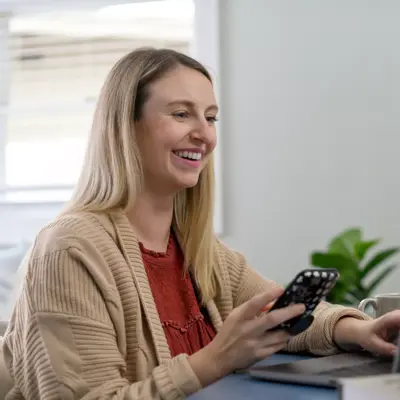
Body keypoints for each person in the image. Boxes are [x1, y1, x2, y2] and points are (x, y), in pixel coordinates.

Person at [2, 48, 400, 400]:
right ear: (126, 125)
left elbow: (282, 315)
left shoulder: (195, 249)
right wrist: (215, 359)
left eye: (210, 118)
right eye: (180, 114)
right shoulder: (69, 249)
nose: (204, 134)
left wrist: (359, 330)